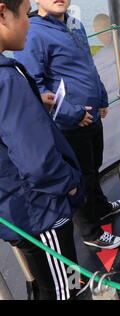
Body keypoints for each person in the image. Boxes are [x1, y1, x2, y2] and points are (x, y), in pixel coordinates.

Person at [15, 0, 120, 249]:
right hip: (70, 123)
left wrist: (101, 98)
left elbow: (87, 66)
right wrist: (72, 114)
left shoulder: (75, 25)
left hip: (92, 115)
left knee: (94, 167)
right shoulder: (32, 32)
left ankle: (101, 208)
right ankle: (91, 232)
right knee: (80, 177)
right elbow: (36, 85)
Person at [0, 0, 84, 299]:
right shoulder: (7, 79)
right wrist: (69, 186)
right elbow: (37, 162)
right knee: (65, 288)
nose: (28, 23)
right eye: (24, 14)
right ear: (2, 13)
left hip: (13, 205)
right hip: (41, 210)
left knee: (46, 280)